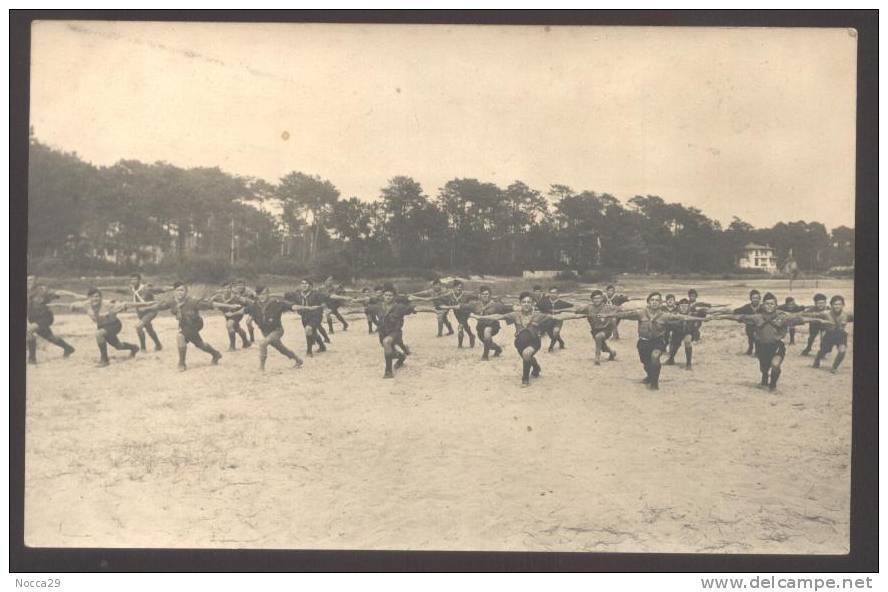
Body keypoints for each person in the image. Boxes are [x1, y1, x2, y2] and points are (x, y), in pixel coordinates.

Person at [470, 292, 584, 387]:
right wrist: (480, 317)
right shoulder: (514, 315)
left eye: (528, 302)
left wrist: (577, 316)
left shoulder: (539, 315)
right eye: (524, 302)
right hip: (518, 343)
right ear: (520, 303)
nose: (526, 304)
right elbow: (497, 316)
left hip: (534, 342)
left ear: (533, 304)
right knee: (527, 357)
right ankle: (536, 367)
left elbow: (558, 317)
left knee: (527, 353)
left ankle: (525, 380)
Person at [599, 292, 703, 390]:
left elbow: (682, 317)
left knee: (655, 357)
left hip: (658, 341)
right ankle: (650, 376)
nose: (654, 302)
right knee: (646, 363)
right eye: (652, 300)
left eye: (657, 300)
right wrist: (607, 315)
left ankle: (654, 383)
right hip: (643, 342)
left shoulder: (664, 315)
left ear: (660, 303)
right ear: (648, 302)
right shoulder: (641, 313)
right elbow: (624, 314)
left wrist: (700, 319)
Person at [711, 292, 814, 391]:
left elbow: (802, 319)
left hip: (777, 346)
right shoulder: (757, 317)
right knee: (764, 368)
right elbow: (738, 317)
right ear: (763, 305)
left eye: (772, 304)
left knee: (775, 365)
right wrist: (720, 316)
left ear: (776, 305)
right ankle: (764, 378)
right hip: (761, 347)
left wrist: (821, 320)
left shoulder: (783, 317)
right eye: (767, 304)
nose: (769, 306)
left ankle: (772, 385)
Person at [142, 282, 239, 371]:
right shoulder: (172, 302)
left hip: (195, 323)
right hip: (184, 324)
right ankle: (216, 354)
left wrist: (230, 306)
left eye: (182, 290)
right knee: (200, 344)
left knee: (180, 337)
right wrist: (145, 307)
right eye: (177, 290)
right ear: (174, 292)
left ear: (186, 292)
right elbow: (159, 306)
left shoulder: (193, 301)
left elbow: (211, 304)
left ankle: (182, 363)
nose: (180, 293)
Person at [365, 284, 436, 378]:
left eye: (390, 295)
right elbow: (365, 309)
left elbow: (416, 309)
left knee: (387, 343)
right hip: (383, 333)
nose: (388, 297)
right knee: (391, 352)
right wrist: (349, 310)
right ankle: (401, 357)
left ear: (394, 297)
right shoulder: (378, 306)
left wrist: (433, 310)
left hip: (395, 333)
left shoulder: (399, 307)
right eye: (386, 295)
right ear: (383, 296)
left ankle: (388, 371)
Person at [243, 286, 314, 370]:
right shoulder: (255, 305)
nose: (262, 296)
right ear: (257, 295)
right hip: (265, 332)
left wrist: (307, 308)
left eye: (264, 294)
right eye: (260, 294)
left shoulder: (276, 302)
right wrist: (232, 313)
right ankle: (298, 360)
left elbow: (293, 307)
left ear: (268, 294)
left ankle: (261, 368)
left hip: (277, 330)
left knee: (263, 344)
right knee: (281, 348)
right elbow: (243, 311)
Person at [67, 288, 142, 367]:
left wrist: (148, 303)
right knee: (119, 346)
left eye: (98, 296)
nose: (96, 298)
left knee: (99, 334)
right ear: (89, 298)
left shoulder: (107, 304)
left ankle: (104, 360)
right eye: (93, 297)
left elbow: (127, 304)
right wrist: (72, 307)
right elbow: (74, 305)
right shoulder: (86, 304)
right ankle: (134, 348)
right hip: (102, 326)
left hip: (114, 325)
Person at [457, 286, 513, 360]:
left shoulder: (496, 305)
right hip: (480, 328)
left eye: (487, 294)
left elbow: (508, 308)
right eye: (483, 294)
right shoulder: (476, 304)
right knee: (488, 343)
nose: (485, 296)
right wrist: (446, 307)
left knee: (487, 332)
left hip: (493, 326)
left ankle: (485, 356)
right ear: (480, 295)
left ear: (490, 295)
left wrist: (520, 308)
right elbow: (461, 306)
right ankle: (498, 349)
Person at [26, 282, 76, 364]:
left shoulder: (42, 290)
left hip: (45, 317)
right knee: (50, 337)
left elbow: (59, 293)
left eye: (32, 279)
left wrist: (74, 295)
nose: (30, 282)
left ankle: (32, 359)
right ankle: (68, 348)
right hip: (33, 319)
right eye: (28, 280)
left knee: (29, 331)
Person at [284, 279, 331, 356]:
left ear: (311, 286)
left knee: (308, 329)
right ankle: (322, 346)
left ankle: (309, 351)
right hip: (305, 316)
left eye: (306, 283)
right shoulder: (297, 294)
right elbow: (285, 296)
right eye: (302, 283)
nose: (304, 285)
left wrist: (346, 298)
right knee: (312, 332)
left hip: (316, 315)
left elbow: (329, 297)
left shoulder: (316, 294)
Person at [809, 295, 854, 373]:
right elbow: (812, 315)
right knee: (825, 350)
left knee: (842, 351)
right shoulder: (825, 314)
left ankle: (834, 367)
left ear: (843, 305)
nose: (837, 306)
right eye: (835, 304)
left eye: (839, 304)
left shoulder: (847, 314)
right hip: (829, 335)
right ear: (831, 305)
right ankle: (817, 359)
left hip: (841, 335)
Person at [572, 289, 618, 365]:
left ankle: (597, 357)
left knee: (599, 337)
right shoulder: (589, 307)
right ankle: (612, 352)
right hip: (595, 330)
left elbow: (619, 310)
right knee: (603, 346)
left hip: (606, 329)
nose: (597, 300)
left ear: (602, 299)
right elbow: (576, 310)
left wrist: (610, 315)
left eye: (599, 298)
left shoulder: (607, 307)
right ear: (592, 299)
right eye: (595, 298)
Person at [663, 298, 706, 370]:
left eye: (685, 306)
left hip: (688, 332)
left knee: (687, 341)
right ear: (678, 307)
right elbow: (668, 323)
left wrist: (696, 327)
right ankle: (671, 359)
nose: (683, 308)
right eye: (682, 306)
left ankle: (688, 364)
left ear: (689, 307)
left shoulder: (693, 314)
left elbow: (700, 319)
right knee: (674, 347)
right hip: (677, 333)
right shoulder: (674, 314)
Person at [212, 282, 252, 351]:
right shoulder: (218, 296)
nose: (227, 290)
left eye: (229, 288)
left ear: (231, 289)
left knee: (229, 325)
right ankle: (246, 342)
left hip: (237, 314)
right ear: (222, 289)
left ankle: (232, 347)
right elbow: (209, 301)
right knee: (236, 328)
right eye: (225, 288)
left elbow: (249, 303)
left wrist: (244, 309)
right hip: (228, 315)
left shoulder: (236, 297)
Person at [536, 286, 574, 352]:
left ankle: (551, 347)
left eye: (555, 293)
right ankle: (561, 342)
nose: (553, 294)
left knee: (556, 332)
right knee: (553, 335)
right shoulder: (544, 302)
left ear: (558, 294)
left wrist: (562, 310)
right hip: (548, 321)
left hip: (558, 320)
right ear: (549, 293)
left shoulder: (562, 303)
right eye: (551, 293)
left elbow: (573, 307)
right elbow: (536, 307)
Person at [441, 280, 477, 348]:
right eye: (457, 287)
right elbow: (440, 297)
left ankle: (460, 345)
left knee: (460, 327)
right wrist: (427, 299)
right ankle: (471, 336)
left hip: (465, 312)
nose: (459, 288)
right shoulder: (450, 294)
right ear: (453, 288)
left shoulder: (465, 294)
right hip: (457, 314)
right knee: (465, 326)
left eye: (460, 287)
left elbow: (477, 296)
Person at [733, 289, 763, 356]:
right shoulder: (747, 307)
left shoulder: (762, 307)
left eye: (757, 298)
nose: (755, 300)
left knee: (758, 339)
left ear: (760, 299)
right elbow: (737, 311)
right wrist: (740, 318)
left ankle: (757, 352)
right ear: (750, 299)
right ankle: (750, 349)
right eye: (753, 298)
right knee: (750, 338)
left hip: (759, 327)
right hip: (749, 326)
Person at [231, 279, 258, 344]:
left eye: (241, 285)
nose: (240, 287)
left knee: (248, 322)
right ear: (236, 286)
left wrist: (250, 299)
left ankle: (252, 337)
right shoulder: (234, 291)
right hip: (242, 307)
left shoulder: (249, 291)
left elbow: (256, 298)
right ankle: (242, 336)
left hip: (252, 307)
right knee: (233, 321)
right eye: (238, 285)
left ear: (244, 286)